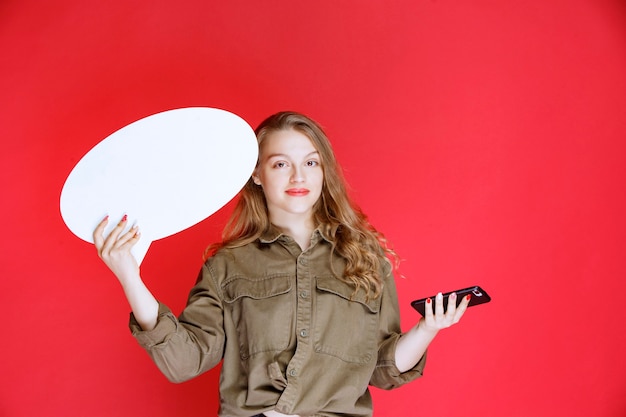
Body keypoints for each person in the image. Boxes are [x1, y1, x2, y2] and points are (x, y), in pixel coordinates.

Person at [93, 111, 471, 417]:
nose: (298, 176)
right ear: (256, 174)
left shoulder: (366, 259)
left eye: (310, 162)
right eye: (279, 164)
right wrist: (129, 276)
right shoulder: (227, 265)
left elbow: (382, 370)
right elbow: (184, 362)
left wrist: (427, 329)